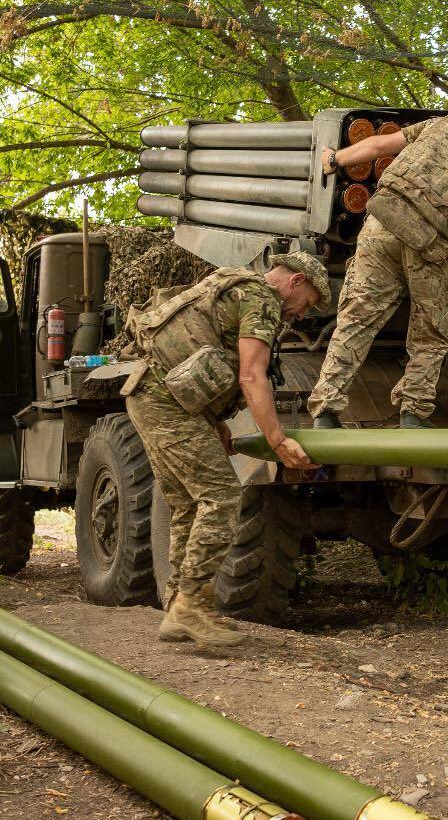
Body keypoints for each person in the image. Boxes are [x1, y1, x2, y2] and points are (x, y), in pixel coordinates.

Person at [120, 253, 327, 646]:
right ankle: (189, 607)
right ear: (296, 282)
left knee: (186, 504)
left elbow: (198, 355)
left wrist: (215, 420)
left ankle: (179, 607)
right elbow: (252, 374)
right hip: (167, 404)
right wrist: (278, 440)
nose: (302, 314)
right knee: (222, 498)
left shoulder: (234, 285)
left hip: (154, 395)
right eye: (308, 302)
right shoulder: (263, 301)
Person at [308, 106, 448, 429]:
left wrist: (334, 160)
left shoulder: (444, 124)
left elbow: (377, 146)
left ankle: (325, 411)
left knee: (357, 318)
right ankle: (412, 412)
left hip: (380, 223)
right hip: (427, 242)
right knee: (432, 329)